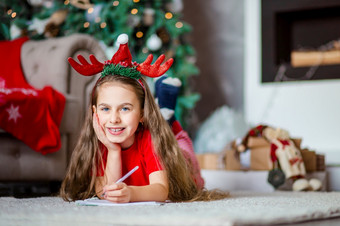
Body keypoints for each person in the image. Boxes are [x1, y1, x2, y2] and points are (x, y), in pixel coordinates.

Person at [60, 34, 228, 203]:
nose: (114, 119)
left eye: (124, 108)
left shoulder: (150, 139)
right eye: (105, 109)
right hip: (137, 133)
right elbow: (104, 192)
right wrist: (113, 149)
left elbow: (161, 190)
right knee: (163, 127)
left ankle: (168, 114)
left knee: (182, 152)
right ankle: (164, 112)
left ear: (142, 113)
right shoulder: (99, 143)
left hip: (179, 158)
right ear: (94, 112)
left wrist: (131, 193)